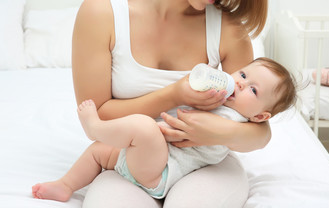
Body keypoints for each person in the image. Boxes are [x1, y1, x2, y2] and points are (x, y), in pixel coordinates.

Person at [70, 0, 269, 207]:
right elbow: (97, 116)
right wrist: (173, 95)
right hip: (132, 161)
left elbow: (260, 131)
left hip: (204, 164)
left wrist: (215, 131)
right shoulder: (102, 13)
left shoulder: (229, 30)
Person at [32, 57, 297, 202]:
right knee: (99, 152)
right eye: (242, 75)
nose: (239, 84)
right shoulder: (218, 98)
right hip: (146, 159)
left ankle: (94, 127)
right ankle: (66, 185)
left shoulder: (236, 121)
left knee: (143, 127)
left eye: (253, 89)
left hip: (163, 172)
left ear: (261, 115)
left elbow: (252, 136)